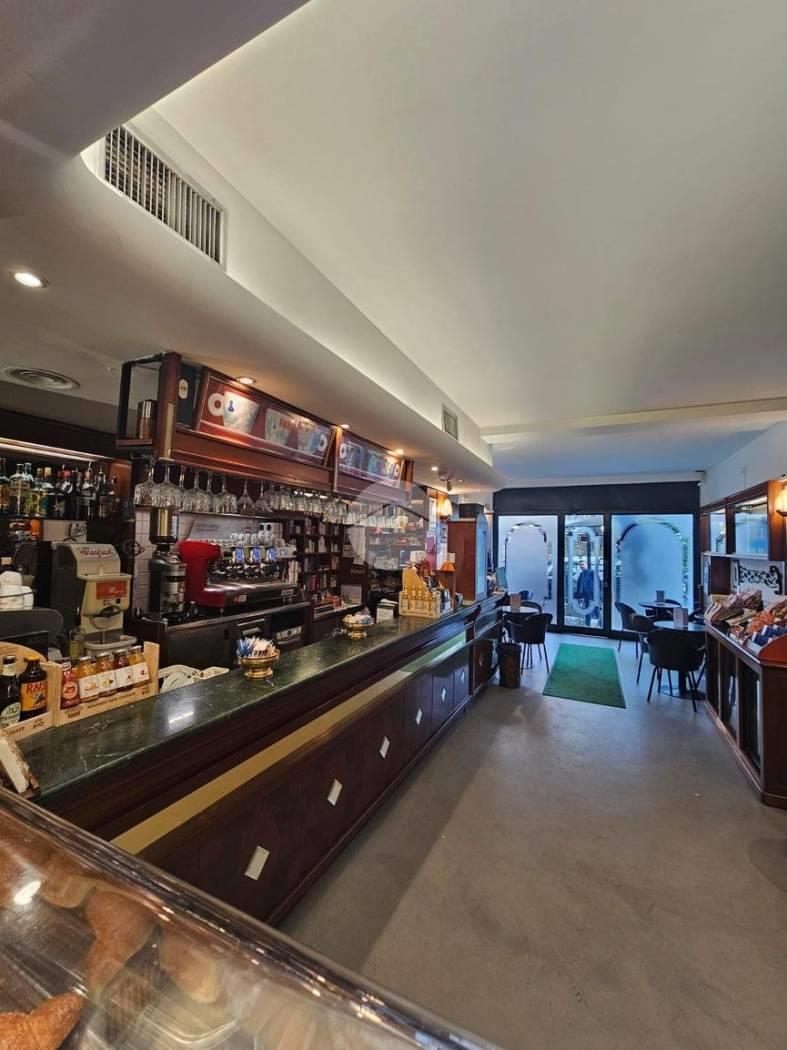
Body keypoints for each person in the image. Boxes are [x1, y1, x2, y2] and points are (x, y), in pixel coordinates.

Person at [574, 560, 600, 626]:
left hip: (592, 595)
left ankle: (600, 624)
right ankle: (588, 625)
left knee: (594, 610)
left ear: (586, 565)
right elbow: (579, 585)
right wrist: (579, 596)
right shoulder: (581, 574)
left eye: (583, 564)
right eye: (580, 565)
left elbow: (598, 583)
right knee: (588, 610)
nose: (581, 566)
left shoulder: (591, 572)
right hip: (586, 595)